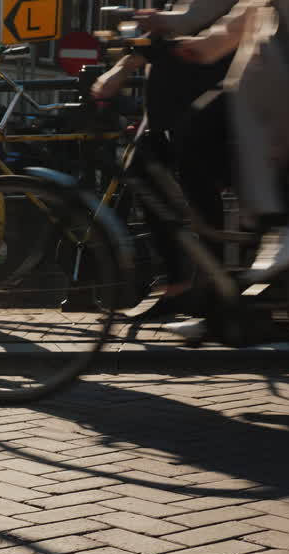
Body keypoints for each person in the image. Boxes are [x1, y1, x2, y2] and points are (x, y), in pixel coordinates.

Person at [143, 0, 289, 339]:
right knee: (243, 174)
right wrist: (208, 44)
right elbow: (256, 6)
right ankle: (233, 312)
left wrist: (177, 20)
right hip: (288, 66)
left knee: (207, 140)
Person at [89, 0, 239, 317]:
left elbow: (194, 21)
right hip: (165, 112)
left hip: (202, 106)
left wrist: (159, 20)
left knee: (201, 195)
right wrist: (120, 69)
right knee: (142, 177)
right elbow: (160, 41)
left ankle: (210, 292)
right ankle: (179, 284)